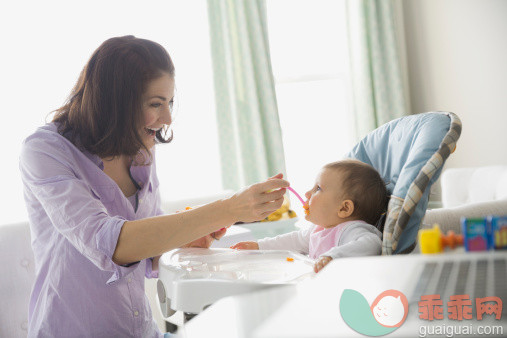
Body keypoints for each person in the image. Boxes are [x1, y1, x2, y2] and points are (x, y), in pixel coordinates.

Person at [19, 35, 289, 338]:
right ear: (116, 103)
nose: (167, 118)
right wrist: (228, 209)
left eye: (169, 102)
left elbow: (144, 237)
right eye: (156, 104)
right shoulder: (45, 151)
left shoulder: (139, 148)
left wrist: (182, 242)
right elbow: (111, 245)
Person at [231, 159, 388, 273]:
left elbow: (372, 244)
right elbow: (293, 240)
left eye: (318, 188)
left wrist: (332, 257)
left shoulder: (351, 229)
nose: (307, 193)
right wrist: (259, 246)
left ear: (345, 208)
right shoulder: (318, 230)